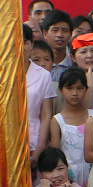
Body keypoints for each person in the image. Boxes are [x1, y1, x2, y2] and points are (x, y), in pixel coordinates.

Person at [50, 67, 93, 187]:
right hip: (68, 181)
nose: (75, 93)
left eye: (79, 88)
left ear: (86, 90)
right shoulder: (57, 121)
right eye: (69, 88)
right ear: (61, 90)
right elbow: (55, 156)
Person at [24, 24, 55, 170]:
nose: (20, 46)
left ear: (31, 44)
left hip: (34, 139)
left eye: (25, 42)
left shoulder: (44, 75)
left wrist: (40, 147)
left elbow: (46, 114)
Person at [41, 9, 73, 82]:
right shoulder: (37, 62)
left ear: (71, 34)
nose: (60, 35)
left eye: (64, 30)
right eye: (55, 30)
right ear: (45, 33)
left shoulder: (76, 61)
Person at [71, 42, 93, 110]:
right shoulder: (68, 78)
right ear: (73, 57)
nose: (89, 55)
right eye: (83, 52)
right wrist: (90, 87)